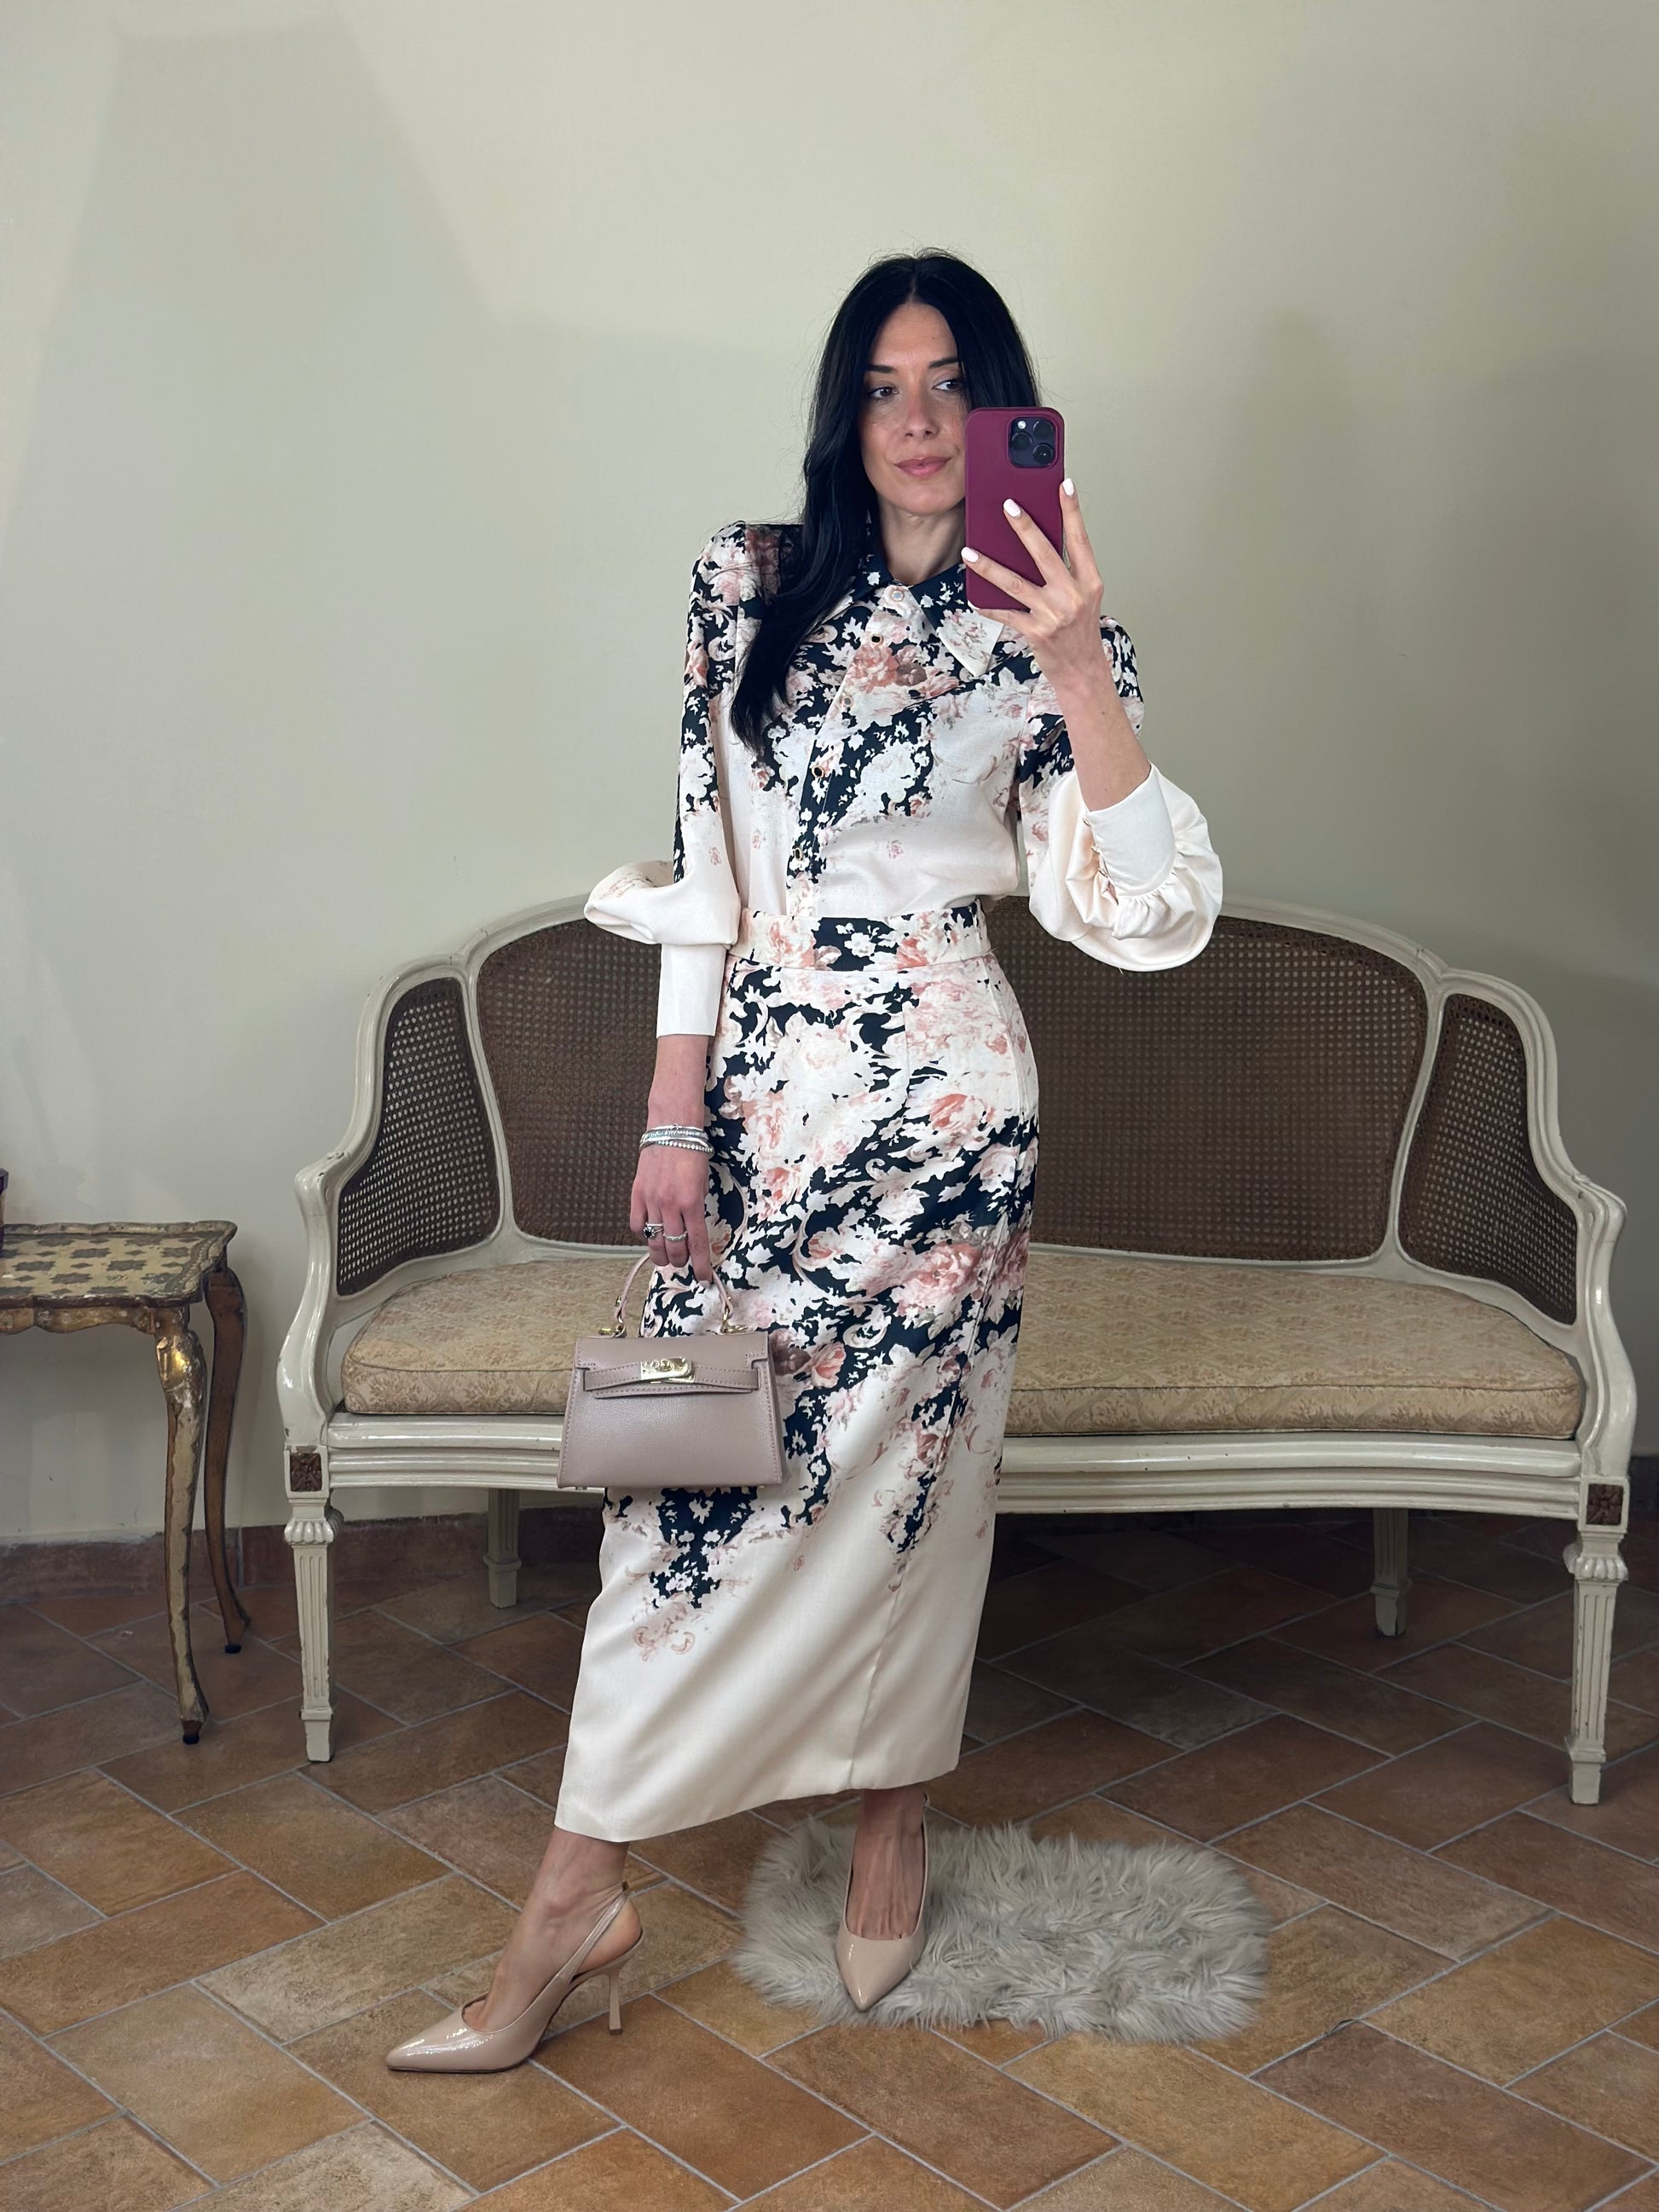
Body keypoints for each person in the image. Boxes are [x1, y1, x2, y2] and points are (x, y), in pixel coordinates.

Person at [387, 250, 1222, 2072]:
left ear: (1002, 410)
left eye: (952, 386)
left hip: (946, 1116)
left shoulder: (1048, 623)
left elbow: (1143, 911)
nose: (917, 421)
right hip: (768, 1102)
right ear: (846, 411)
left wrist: (1076, 660)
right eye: (883, 386)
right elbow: (707, 859)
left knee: (919, 1484)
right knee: (691, 1494)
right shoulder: (744, 581)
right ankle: (576, 1898)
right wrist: (670, 1107)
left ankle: (888, 1821)